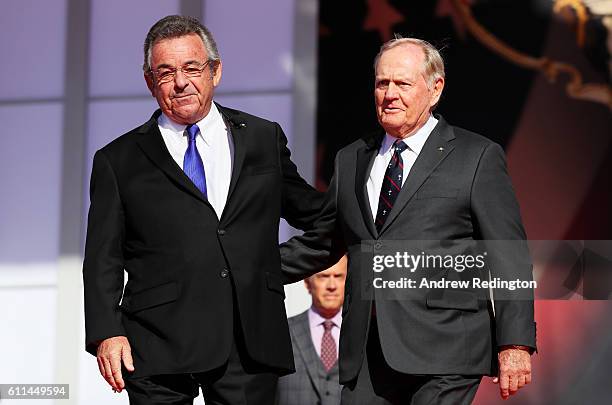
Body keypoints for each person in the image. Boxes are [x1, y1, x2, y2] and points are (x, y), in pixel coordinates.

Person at [280, 37, 537, 404]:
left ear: (435, 89)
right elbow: (323, 241)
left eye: (402, 83)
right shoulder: (351, 158)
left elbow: (508, 253)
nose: (389, 93)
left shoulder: (477, 156)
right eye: (382, 83)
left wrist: (515, 342)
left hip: (446, 352)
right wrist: (246, 268)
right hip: (367, 351)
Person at [82, 15, 323, 405]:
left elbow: (317, 215)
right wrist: (106, 332)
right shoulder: (118, 159)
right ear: (149, 82)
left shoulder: (263, 138)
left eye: (192, 68)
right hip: (156, 341)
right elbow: (102, 258)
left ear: (215, 71)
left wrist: (273, 267)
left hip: (248, 339)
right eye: (165, 72)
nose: (180, 82)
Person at [276, 255, 348, 405]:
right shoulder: (281, 332)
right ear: (307, 283)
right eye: (323, 276)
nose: (332, 285)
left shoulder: (362, 335)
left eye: (339, 276)